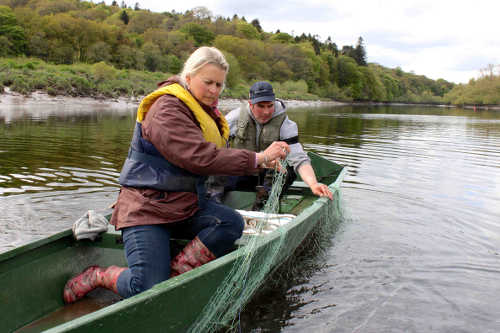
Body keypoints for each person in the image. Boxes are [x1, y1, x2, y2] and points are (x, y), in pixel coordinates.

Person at [62, 47, 289, 303]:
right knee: (146, 287)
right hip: (147, 207)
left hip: (185, 204)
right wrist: (259, 157)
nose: (215, 90)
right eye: (208, 82)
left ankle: (173, 277)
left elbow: (214, 156)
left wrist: (263, 165)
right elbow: (199, 156)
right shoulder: (166, 109)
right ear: (189, 77)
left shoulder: (201, 110)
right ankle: (98, 275)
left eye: (219, 85)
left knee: (230, 223)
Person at [216, 81, 333, 204]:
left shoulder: (285, 124)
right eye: (261, 106)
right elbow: (214, 150)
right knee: (217, 172)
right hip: (245, 171)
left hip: (270, 177)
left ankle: (264, 203)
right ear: (251, 104)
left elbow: (299, 158)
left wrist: (313, 184)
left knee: (287, 167)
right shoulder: (234, 118)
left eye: (270, 106)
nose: (266, 112)